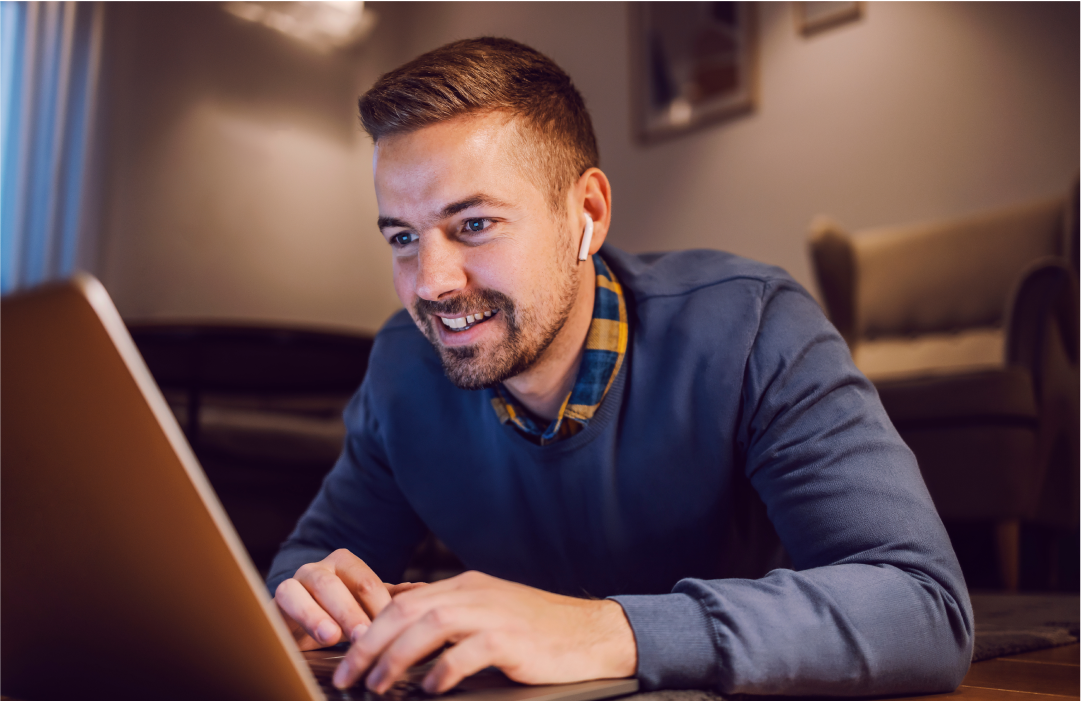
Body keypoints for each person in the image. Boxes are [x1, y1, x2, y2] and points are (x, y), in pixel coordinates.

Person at [267, 37, 973, 696]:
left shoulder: (752, 327)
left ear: (588, 212)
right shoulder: (400, 367)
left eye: (473, 224)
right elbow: (302, 569)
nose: (430, 282)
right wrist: (311, 596)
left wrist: (604, 629)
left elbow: (924, 606)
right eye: (401, 236)